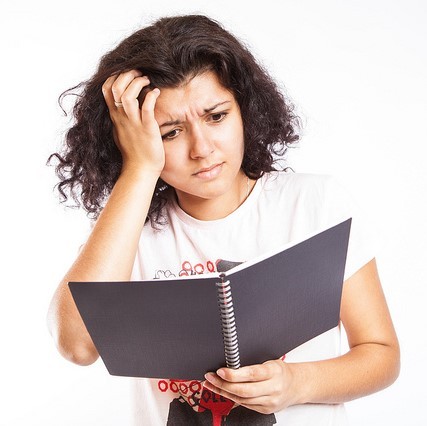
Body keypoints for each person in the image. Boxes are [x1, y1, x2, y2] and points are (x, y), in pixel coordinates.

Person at [47, 14, 400, 425]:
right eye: (171, 132)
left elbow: (381, 354)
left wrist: (296, 383)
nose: (202, 149)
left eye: (216, 116)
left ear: (245, 109)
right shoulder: (129, 235)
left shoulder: (315, 204)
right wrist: (139, 169)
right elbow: (76, 345)